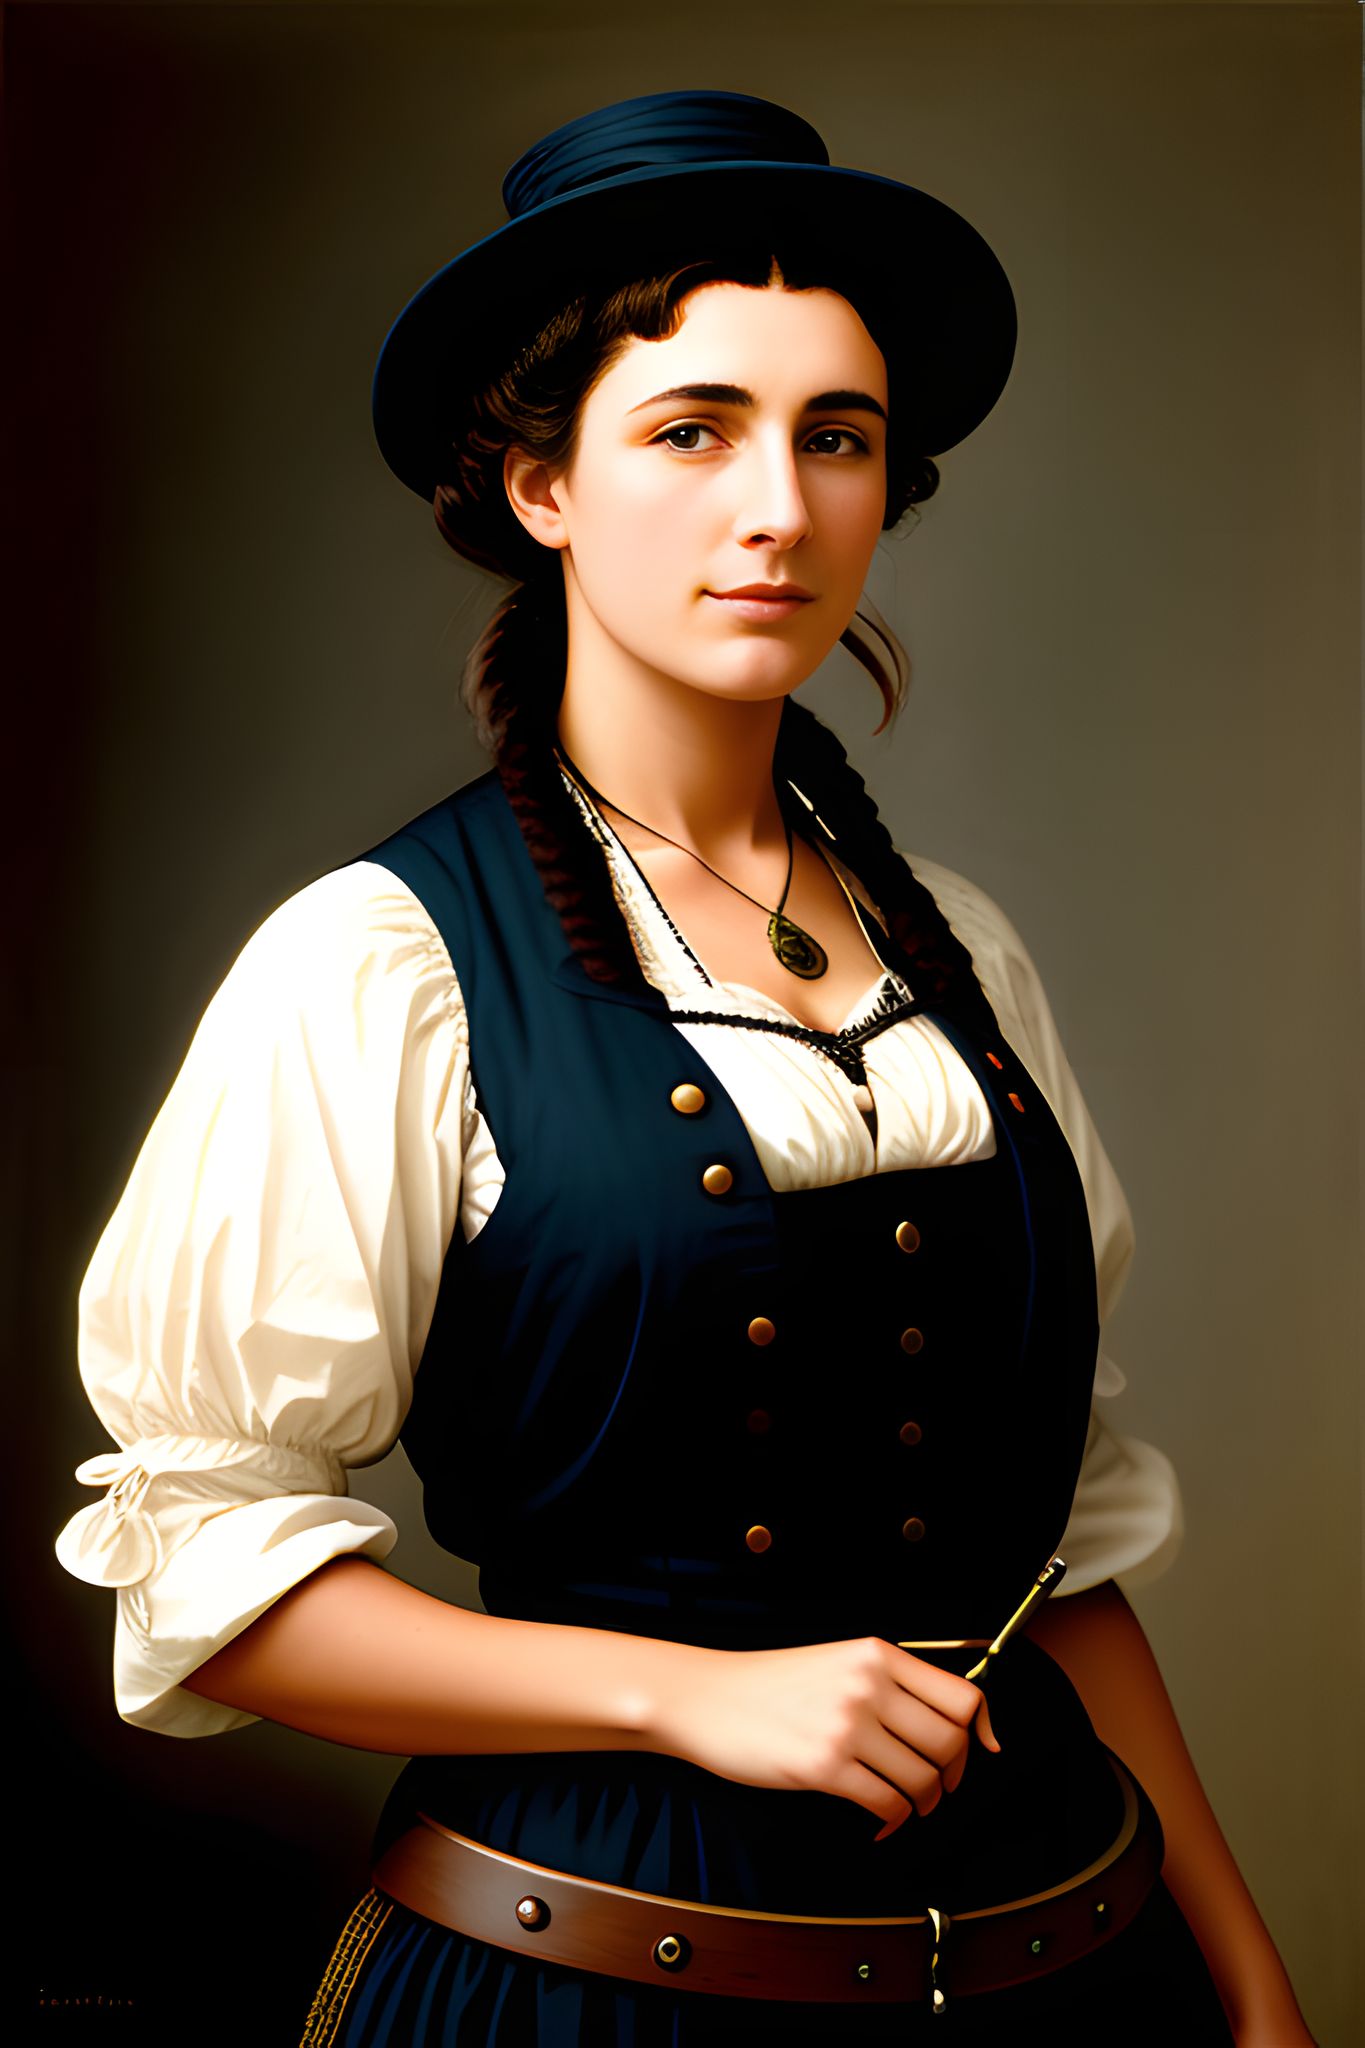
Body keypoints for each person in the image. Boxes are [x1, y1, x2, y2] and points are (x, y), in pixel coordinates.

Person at [56, 90, 1311, 2046]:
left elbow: (1049, 1544)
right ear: (537, 481)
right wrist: (681, 1689)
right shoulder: (379, 965)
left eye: (836, 438)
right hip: (593, 1990)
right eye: (691, 429)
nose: (776, 507)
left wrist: (1245, 1977)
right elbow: (211, 1564)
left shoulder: (960, 950)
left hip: (1078, 1971)